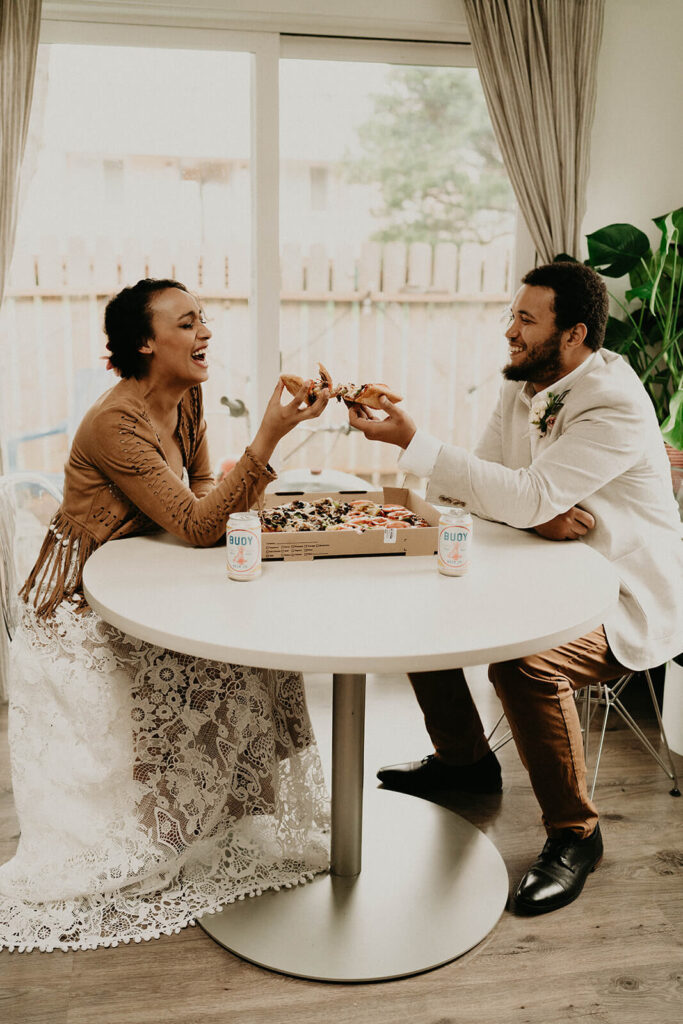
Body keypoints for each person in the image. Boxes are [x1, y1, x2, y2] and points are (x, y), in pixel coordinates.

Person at [0, 278, 331, 952]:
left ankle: (232, 815)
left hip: (150, 572)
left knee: (261, 651)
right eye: (187, 323)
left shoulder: (186, 398)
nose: (204, 332)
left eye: (203, 320)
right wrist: (268, 435)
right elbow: (193, 524)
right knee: (222, 657)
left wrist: (233, 499)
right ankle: (170, 827)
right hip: (83, 598)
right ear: (147, 342)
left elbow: (203, 491)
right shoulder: (113, 423)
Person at [348, 261, 683, 915]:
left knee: (524, 663)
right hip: (543, 566)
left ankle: (575, 833)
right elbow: (476, 488)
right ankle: (464, 761)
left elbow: (514, 491)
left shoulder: (611, 400)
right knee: (422, 600)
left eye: (525, 319)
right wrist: (537, 510)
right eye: (511, 314)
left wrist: (420, 443)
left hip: (622, 592)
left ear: (573, 335)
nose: (509, 330)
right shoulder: (527, 381)